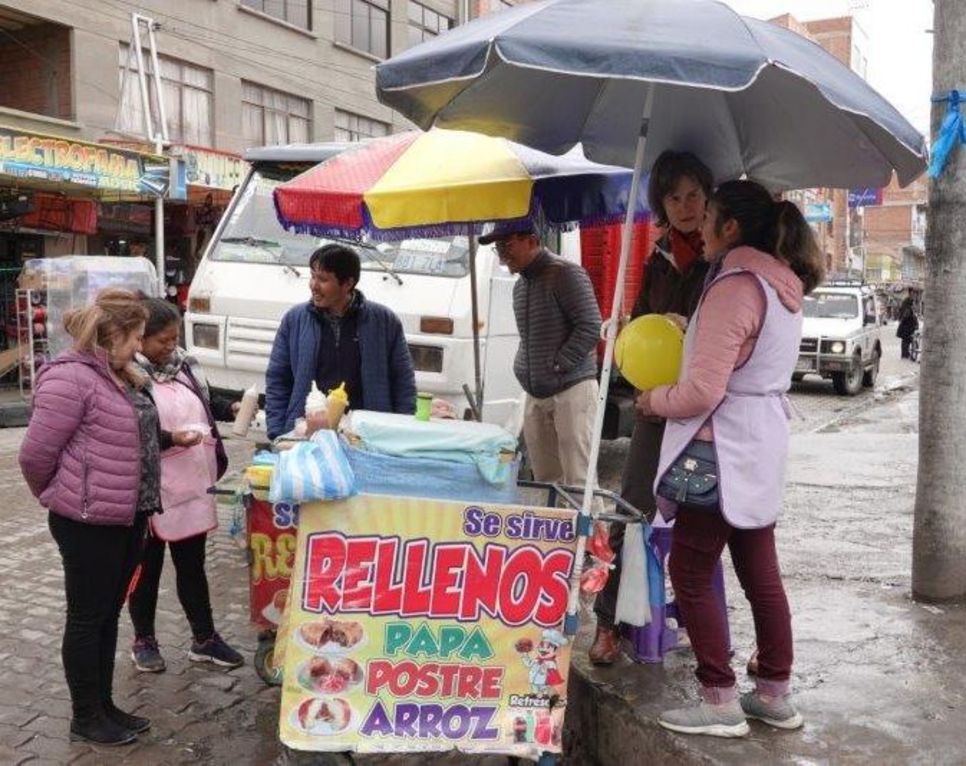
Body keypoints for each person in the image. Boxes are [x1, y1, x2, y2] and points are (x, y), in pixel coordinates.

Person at [636, 180, 824, 737]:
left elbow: (701, 392)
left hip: (718, 448)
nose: (700, 222)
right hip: (760, 444)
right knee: (759, 568)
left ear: (730, 227)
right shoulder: (782, 285)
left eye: (709, 213)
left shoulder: (737, 286)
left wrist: (652, 401)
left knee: (690, 569)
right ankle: (774, 693)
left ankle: (719, 700)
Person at [18, 289, 199, 746]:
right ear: (112, 333)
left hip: (128, 514)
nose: (140, 344)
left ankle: (103, 704)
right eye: (136, 335)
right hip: (87, 521)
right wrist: (60, 496)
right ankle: (85, 715)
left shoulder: (122, 375)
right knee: (87, 617)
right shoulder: (69, 379)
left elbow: (134, 435)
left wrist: (172, 439)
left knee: (107, 615)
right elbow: (35, 455)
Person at [590, 150, 713, 665]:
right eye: (673, 197)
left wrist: (696, 328)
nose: (684, 206)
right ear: (661, 204)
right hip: (653, 407)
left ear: (707, 198)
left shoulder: (723, 255)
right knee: (633, 507)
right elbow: (642, 324)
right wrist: (644, 323)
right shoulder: (656, 256)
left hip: (706, 413)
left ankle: (696, 622)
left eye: (692, 195)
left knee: (704, 522)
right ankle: (609, 623)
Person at [127, 298, 243, 673]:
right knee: (148, 568)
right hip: (150, 491)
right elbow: (130, 432)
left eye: (175, 338)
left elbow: (207, 401)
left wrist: (233, 409)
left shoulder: (185, 367)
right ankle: (143, 639)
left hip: (190, 485)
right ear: (139, 339)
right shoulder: (127, 375)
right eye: (163, 340)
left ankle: (204, 639)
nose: (171, 347)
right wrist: (171, 439)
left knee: (192, 565)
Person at [479, 223, 602, 495]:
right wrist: (524, 366)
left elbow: (591, 325)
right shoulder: (521, 286)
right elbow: (529, 337)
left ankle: (593, 536)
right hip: (536, 392)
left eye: (506, 246)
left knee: (578, 480)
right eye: (498, 248)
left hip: (572, 388)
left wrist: (559, 363)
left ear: (532, 240)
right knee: (545, 480)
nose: (501, 255)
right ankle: (556, 537)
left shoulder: (567, 274)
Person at [266, 243, 416, 439]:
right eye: (312, 276)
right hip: (306, 433)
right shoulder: (295, 320)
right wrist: (277, 430)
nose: (313, 285)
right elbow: (278, 378)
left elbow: (403, 381)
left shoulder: (384, 321)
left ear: (348, 283)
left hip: (366, 435)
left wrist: (400, 431)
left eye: (323, 279)